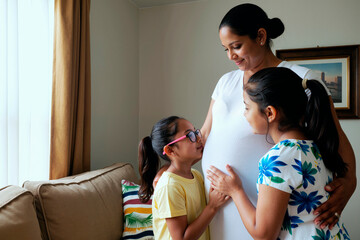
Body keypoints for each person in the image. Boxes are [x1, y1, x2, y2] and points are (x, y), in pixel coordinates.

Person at [200, 3, 356, 240]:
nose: (231, 56)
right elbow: (204, 135)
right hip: (220, 205)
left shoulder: (300, 78)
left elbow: (336, 140)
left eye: (237, 46)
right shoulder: (225, 82)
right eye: (226, 49)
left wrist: (347, 186)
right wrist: (171, 169)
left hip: (264, 214)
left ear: (261, 36)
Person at [207, 67, 350, 239]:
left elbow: (264, 234)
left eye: (246, 108)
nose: (244, 115)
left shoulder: (278, 159)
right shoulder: (315, 145)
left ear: (270, 113)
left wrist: (236, 191)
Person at [138, 116, 229, 240]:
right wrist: (212, 206)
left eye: (196, 132)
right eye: (190, 135)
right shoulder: (169, 186)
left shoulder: (195, 175)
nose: (198, 138)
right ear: (170, 150)